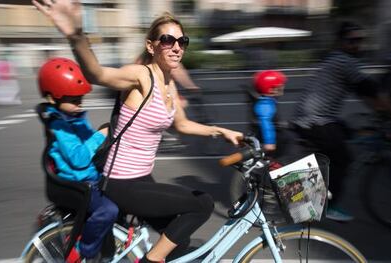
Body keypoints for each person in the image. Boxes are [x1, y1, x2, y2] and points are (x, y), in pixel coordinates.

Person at [32, 1, 243, 262]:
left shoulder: (169, 85)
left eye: (182, 41)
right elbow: (97, 73)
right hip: (121, 183)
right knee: (202, 204)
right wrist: (76, 34)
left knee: (178, 240)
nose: (177, 47)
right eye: (168, 40)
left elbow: (182, 124)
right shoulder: (141, 76)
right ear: (151, 46)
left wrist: (221, 131)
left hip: (143, 179)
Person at [290, 21, 391, 222]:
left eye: (360, 40)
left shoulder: (340, 61)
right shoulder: (344, 62)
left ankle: (304, 197)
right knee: (343, 158)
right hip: (315, 119)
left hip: (319, 117)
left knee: (348, 133)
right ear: (341, 42)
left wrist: (380, 109)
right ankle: (328, 206)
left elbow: (366, 94)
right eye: (352, 40)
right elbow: (372, 90)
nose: (356, 45)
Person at [37, 57, 119, 262]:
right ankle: (88, 252)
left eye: (80, 100)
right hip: (76, 182)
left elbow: (91, 145)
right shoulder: (60, 125)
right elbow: (80, 158)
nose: (78, 105)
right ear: (52, 98)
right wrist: (100, 134)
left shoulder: (73, 117)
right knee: (108, 210)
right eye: (73, 101)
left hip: (88, 177)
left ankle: (107, 245)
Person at [252, 70, 287, 153]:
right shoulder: (265, 105)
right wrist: (269, 142)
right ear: (271, 90)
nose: (282, 87)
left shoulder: (267, 102)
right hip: (273, 143)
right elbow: (266, 123)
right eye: (280, 86)